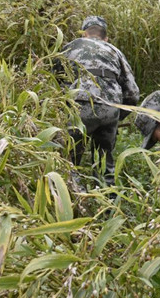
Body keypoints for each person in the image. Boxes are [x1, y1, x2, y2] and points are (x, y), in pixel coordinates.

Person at [60, 15, 140, 186]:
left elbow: (54, 81)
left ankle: (74, 201)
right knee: (105, 162)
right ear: (106, 38)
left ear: (83, 34)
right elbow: (133, 93)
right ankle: (107, 206)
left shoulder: (71, 46)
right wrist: (118, 117)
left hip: (80, 104)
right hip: (110, 107)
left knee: (69, 160)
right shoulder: (114, 51)